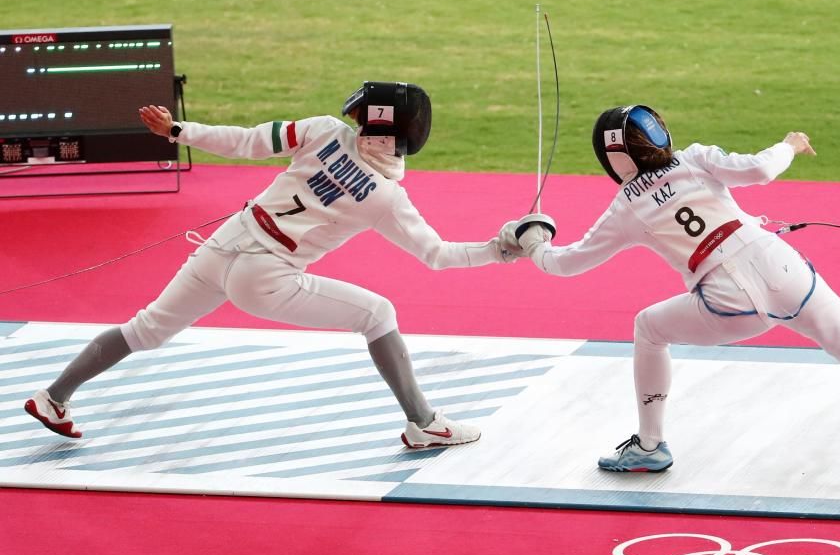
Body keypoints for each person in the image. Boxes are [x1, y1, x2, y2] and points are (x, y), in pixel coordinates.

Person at [25, 81, 517, 449]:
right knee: (378, 314)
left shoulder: (323, 130)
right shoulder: (386, 198)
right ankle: (424, 423)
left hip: (223, 243)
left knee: (147, 328)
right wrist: (501, 247)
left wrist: (179, 130)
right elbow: (438, 255)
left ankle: (54, 395)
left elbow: (246, 141)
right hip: (265, 276)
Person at [511, 104, 840, 483]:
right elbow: (759, 168)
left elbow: (564, 264)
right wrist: (789, 144)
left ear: (614, 159)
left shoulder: (626, 207)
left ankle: (650, 447)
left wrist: (533, 238)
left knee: (649, 328)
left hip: (728, 303)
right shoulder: (694, 157)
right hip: (785, 269)